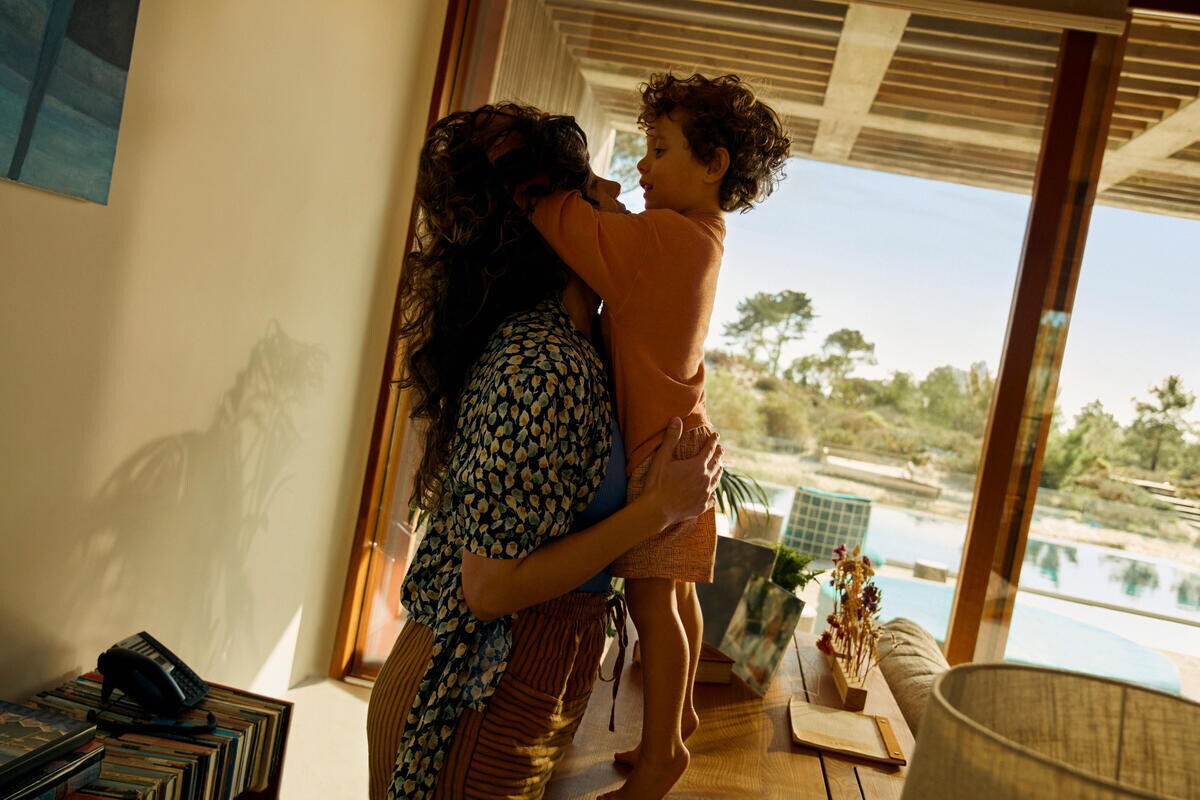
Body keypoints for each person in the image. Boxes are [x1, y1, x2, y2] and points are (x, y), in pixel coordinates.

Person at [365, 103, 723, 800]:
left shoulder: (584, 351)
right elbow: (491, 587)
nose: (622, 193)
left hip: (511, 689)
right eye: (596, 189)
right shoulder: (543, 365)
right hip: (469, 702)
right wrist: (657, 511)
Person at [525, 72, 791, 799]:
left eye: (660, 149)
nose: (641, 166)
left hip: (656, 456)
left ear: (714, 165)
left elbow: (567, 228)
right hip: (677, 440)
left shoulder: (667, 239)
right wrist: (607, 203)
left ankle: (660, 760)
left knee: (652, 605)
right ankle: (679, 727)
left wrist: (545, 189)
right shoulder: (699, 236)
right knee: (671, 600)